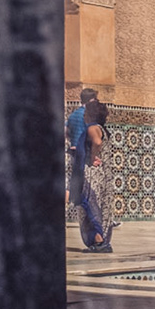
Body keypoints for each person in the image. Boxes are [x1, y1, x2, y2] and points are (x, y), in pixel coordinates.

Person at [78, 99, 115, 252]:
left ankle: (99, 241)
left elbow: (97, 143)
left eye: (86, 112)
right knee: (99, 205)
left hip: (93, 173)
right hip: (104, 174)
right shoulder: (103, 129)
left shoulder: (92, 127)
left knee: (90, 205)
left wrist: (92, 157)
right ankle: (101, 240)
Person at [66, 86, 97, 229]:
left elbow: (66, 132)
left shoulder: (73, 115)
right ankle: (96, 221)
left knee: (73, 187)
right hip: (85, 155)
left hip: (72, 154)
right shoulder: (89, 116)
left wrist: (73, 141)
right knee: (90, 190)